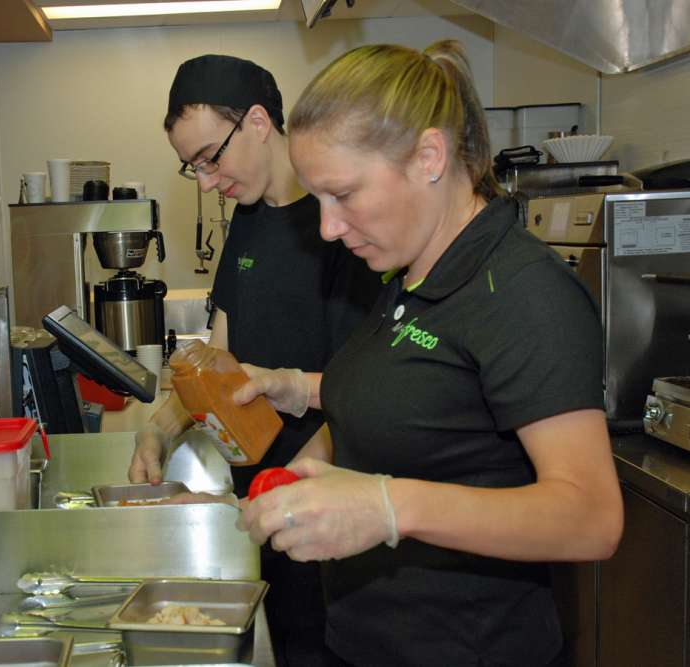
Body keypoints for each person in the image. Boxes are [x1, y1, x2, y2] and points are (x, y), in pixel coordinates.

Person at [234, 41, 624, 666]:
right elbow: (382, 404)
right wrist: (273, 493)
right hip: (364, 640)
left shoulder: (522, 292)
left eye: (344, 195)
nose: (328, 229)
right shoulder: (408, 275)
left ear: (429, 157)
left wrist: (390, 507)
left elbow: (592, 517)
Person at [127, 54, 379, 666]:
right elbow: (219, 362)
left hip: (331, 519)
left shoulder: (346, 226)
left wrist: (283, 487)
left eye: (211, 156)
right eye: (193, 168)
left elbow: (370, 394)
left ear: (260, 121)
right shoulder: (247, 224)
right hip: (261, 510)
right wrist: (156, 430)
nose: (208, 180)